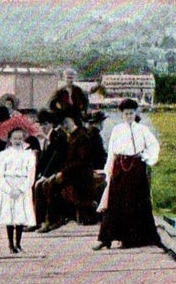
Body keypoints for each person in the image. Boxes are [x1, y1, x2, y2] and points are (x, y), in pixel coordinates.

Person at [94, 98, 162, 251]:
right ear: (122, 115)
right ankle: (105, 238)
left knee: (134, 202)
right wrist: (108, 170)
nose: (129, 116)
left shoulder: (142, 130)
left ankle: (130, 239)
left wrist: (145, 156)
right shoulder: (117, 130)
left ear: (135, 113)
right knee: (114, 201)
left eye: (131, 113)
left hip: (136, 168)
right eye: (126, 114)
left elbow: (153, 146)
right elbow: (111, 150)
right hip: (120, 167)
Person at [35, 113, 98, 232]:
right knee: (50, 183)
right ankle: (51, 219)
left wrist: (63, 173)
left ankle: (53, 220)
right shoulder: (71, 136)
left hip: (81, 175)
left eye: (66, 121)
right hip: (72, 173)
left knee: (53, 185)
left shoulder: (81, 136)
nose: (64, 125)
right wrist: (59, 172)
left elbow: (81, 161)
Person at [0, 119, 39, 254]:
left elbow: (31, 174)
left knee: (20, 216)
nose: (17, 141)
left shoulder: (29, 155)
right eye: (14, 138)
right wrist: (8, 189)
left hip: (22, 185)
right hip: (9, 186)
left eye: (20, 138)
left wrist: (22, 188)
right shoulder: (4, 156)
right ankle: (10, 244)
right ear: (10, 140)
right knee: (9, 216)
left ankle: (18, 243)